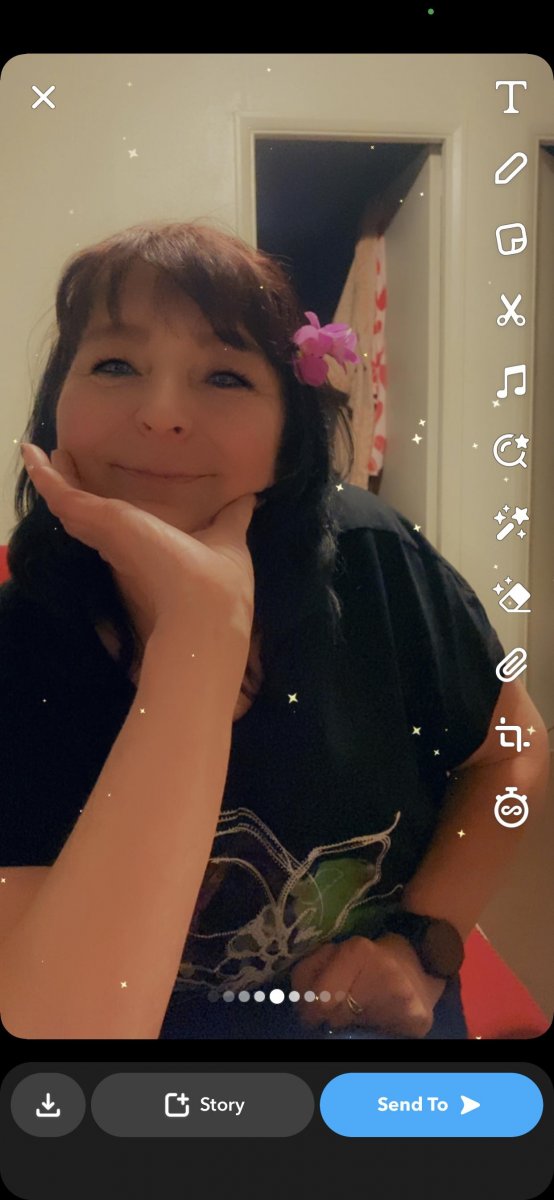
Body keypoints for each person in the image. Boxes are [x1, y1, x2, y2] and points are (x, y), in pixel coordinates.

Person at [0, 221, 549, 1041]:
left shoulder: (372, 562)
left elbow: (512, 753)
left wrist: (422, 947)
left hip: (377, 1014)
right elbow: (62, 1027)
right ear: (55, 407)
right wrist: (200, 629)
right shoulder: (20, 649)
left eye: (225, 375)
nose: (161, 415)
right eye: (115, 364)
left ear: (291, 436)